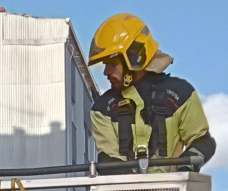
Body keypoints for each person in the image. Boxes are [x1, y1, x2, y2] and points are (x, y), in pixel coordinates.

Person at [88, 14, 216, 172]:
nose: (106, 72)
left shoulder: (181, 94)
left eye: (112, 63)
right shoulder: (102, 109)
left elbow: (202, 141)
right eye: (104, 65)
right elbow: (109, 157)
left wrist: (184, 168)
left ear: (135, 57)